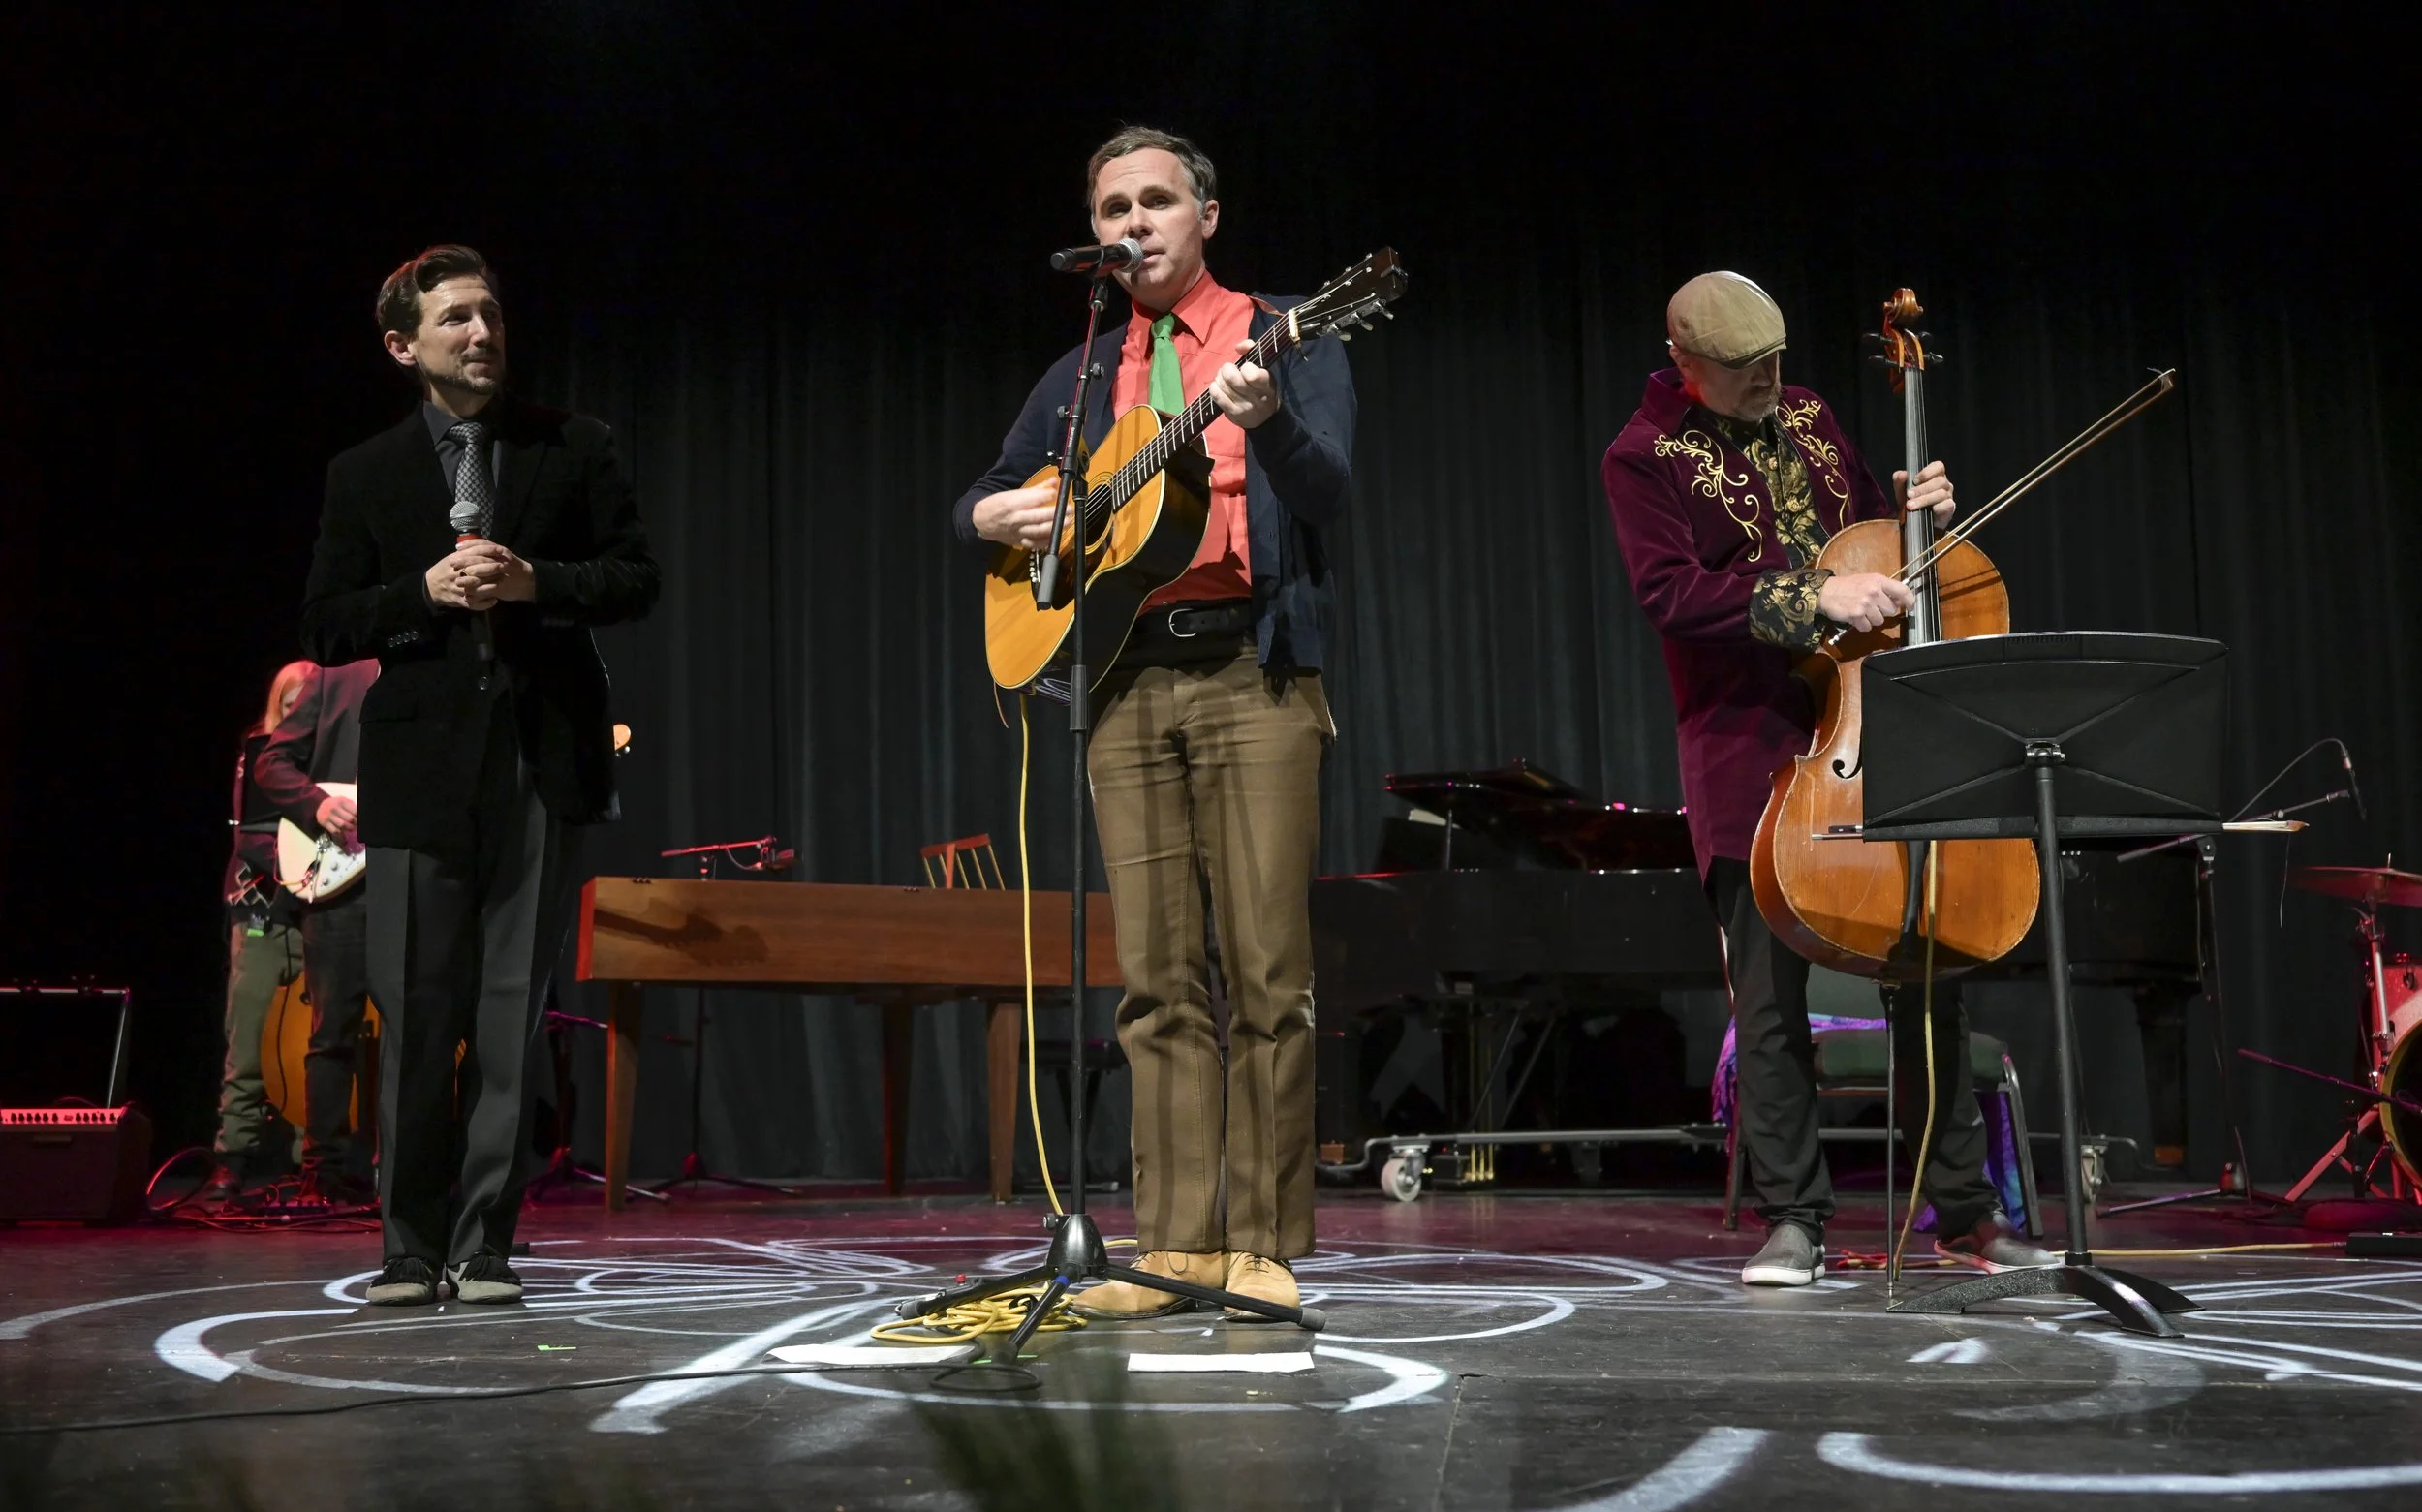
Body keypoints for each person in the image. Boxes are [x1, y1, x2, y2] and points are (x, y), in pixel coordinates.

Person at [953, 127, 1353, 1318]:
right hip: (1123, 684)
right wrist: (997, 521)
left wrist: (1268, 419)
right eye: (1115, 207)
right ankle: (1174, 1248)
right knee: (1156, 983)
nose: (1135, 224)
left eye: (1157, 202)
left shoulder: (1292, 330)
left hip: (1255, 675)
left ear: (1207, 217)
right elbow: (979, 500)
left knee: (1269, 974)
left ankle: (1265, 1242)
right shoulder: (1085, 372)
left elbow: (1330, 491)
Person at [1601, 271, 2055, 1287]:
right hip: (1750, 750)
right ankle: (1793, 1219)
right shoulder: (1642, 456)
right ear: (1684, 363)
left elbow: (1867, 539)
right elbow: (1673, 595)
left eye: (1774, 363)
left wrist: (1916, 511)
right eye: (1742, 371)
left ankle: (1965, 1215)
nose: (1769, 382)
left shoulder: (1807, 412)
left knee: (1929, 982)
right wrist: (1818, 595)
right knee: (1768, 1002)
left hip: (1871, 731)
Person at [299, 245, 658, 1306]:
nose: (481, 333)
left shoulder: (571, 447)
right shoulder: (364, 474)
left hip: (540, 765)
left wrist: (534, 579)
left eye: (491, 315)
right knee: (414, 1014)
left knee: (509, 1016)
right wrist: (423, 592)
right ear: (405, 345)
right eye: (456, 318)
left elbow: (636, 578)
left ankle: (483, 1243)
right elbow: (324, 623)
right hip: (418, 774)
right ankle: (408, 1246)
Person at [252, 657, 381, 1206]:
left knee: (421, 1033)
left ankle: (407, 1173)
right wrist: (319, 803)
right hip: (340, 884)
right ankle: (322, 1175)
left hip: (421, 874)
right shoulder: (335, 678)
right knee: (331, 1034)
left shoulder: (449, 672)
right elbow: (273, 761)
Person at [199, 662, 315, 1209]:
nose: (298, 712)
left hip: (317, 918)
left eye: (308, 702)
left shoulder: (331, 763)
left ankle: (310, 1163)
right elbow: (251, 838)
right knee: (246, 1045)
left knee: (314, 1051)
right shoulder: (261, 753)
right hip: (261, 913)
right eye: (290, 702)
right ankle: (232, 1161)